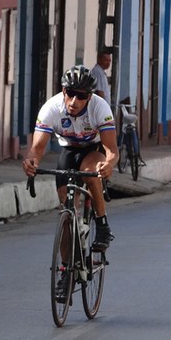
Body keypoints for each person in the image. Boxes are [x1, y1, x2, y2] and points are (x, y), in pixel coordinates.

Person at [22, 65, 118, 300]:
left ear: (90, 96)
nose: (75, 100)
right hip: (68, 151)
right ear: (63, 91)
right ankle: (66, 272)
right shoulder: (51, 108)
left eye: (82, 96)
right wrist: (31, 162)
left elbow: (112, 150)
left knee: (91, 171)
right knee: (66, 211)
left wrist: (109, 165)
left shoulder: (100, 108)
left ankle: (102, 225)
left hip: (93, 148)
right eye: (70, 93)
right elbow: (37, 149)